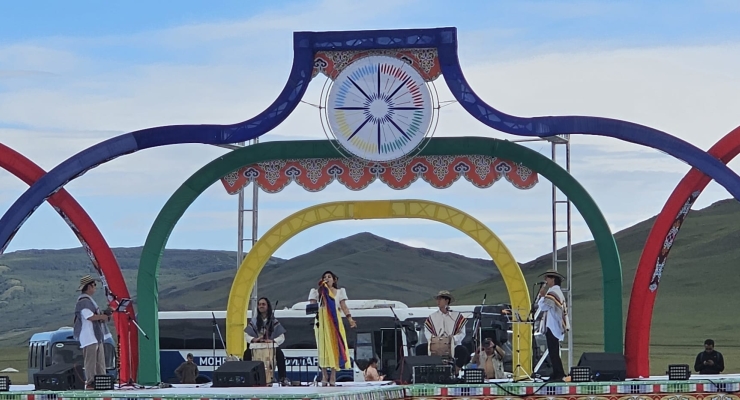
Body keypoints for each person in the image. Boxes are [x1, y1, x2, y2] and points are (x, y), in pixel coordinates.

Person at [308, 270, 357, 386]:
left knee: (335, 346)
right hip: (322, 321)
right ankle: (324, 375)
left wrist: (350, 319)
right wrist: (321, 292)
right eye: (324, 277)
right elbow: (312, 306)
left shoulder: (340, 292)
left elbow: (343, 306)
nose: (327, 278)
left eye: (329, 277)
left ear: (334, 279)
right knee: (323, 347)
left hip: (335, 321)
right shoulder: (318, 292)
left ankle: (333, 375)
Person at [72, 275, 113, 390]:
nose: (95, 287)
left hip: (96, 336)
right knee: (90, 361)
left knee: (100, 361)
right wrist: (103, 316)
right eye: (94, 285)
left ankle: (101, 380)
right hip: (89, 336)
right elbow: (89, 316)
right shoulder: (83, 301)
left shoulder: (89, 301)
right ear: (89, 287)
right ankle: (90, 382)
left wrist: (105, 314)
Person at [243, 297, 289, 386]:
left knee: (280, 355)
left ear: (268, 306)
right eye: (259, 304)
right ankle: (247, 378)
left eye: (263, 304)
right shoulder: (254, 321)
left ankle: (282, 378)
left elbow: (281, 337)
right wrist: (254, 339)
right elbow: (246, 335)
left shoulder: (273, 321)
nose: (261, 306)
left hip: (270, 346)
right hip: (256, 346)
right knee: (246, 354)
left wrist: (272, 341)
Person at [423, 290, 469, 372]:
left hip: (453, 346)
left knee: (463, 350)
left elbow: (462, 333)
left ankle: (456, 370)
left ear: (447, 300)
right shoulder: (432, 317)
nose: (438, 301)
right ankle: (426, 371)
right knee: (420, 349)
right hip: (436, 345)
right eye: (437, 299)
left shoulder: (457, 316)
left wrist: (453, 339)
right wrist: (433, 339)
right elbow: (427, 331)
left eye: (440, 299)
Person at [536, 269, 569, 382]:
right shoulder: (556, 292)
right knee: (553, 350)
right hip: (554, 324)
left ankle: (559, 374)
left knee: (553, 350)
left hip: (553, 325)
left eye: (547, 278)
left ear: (553, 279)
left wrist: (542, 296)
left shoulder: (553, 293)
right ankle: (557, 373)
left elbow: (544, 306)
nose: (546, 281)